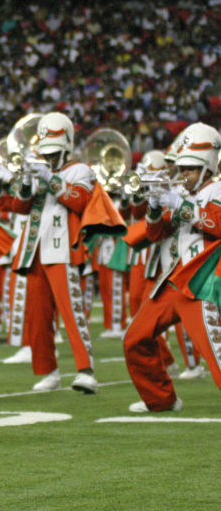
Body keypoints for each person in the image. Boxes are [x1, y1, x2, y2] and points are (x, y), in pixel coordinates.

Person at [0, 112, 99, 394]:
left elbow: (80, 201)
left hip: (63, 249)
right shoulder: (38, 168)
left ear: (66, 147)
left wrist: (50, 178)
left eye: (54, 153)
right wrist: (24, 182)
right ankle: (48, 371)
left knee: (72, 312)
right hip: (35, 250)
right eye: (45, 152)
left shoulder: (80, 170)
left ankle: (86, 371)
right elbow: (21, 207)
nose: (48, 157)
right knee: (37, 317)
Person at [124, 123, 221, 412]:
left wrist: (180, 205)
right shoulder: (181, 192)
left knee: (215, 351)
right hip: (173, 279)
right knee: (135, 338)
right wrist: (154, 206)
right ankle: (160, 399)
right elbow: (155, 234)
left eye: (190, 169)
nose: (184, 175)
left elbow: (217, 224)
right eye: (183, 168)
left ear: (207, 168)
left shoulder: (217, 188)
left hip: (201, 283)